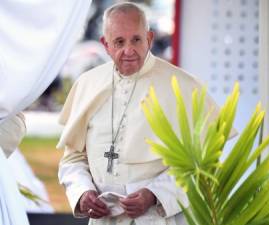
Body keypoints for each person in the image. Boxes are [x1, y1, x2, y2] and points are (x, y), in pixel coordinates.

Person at [57, 2, 223, 225]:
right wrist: (83, 192)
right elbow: (73, 158)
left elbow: (201, 162)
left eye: (136, 39)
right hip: (104, 219)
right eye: (119, 42)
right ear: (105, 45)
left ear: (150, 39)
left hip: (159, 218)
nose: (129, 50)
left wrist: (155, 194)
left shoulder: (183, 86)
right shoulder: (87, 85)